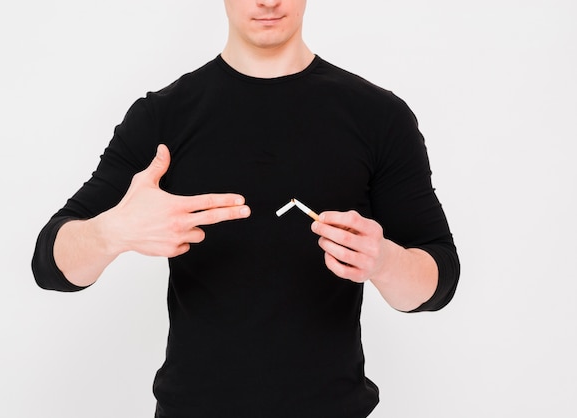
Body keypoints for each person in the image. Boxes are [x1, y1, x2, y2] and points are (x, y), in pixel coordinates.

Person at [32, 1, 460, 417]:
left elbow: (438, 280)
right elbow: (50, 264)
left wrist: (384, 261)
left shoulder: (379, 117)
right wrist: (112, 232)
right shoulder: (162, 117)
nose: (268, 1)